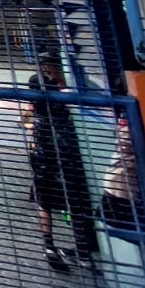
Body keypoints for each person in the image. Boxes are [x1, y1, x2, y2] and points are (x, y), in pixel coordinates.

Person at [25, 53, 97, 271]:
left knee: (49, 199)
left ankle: (54, 246)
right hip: (61, 147)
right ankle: (79, 250)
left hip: (44, 146)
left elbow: (29, 111)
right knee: (69, 198)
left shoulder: (36, 83)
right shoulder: (61, 89)